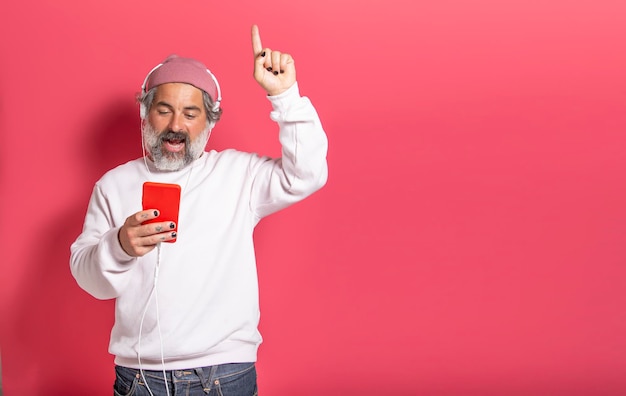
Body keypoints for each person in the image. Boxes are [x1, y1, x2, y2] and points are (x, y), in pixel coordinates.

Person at [70, 25, 328, 395]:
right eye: (164, 111)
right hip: (139, 379)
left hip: (225, 375)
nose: (176, 126)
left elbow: (308, 173)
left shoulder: (240, 175)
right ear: (145, 114)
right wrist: (119, 245)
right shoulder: (113, 185)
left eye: (191, 114)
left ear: (209, 121)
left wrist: (285, 96)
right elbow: (87, 277)